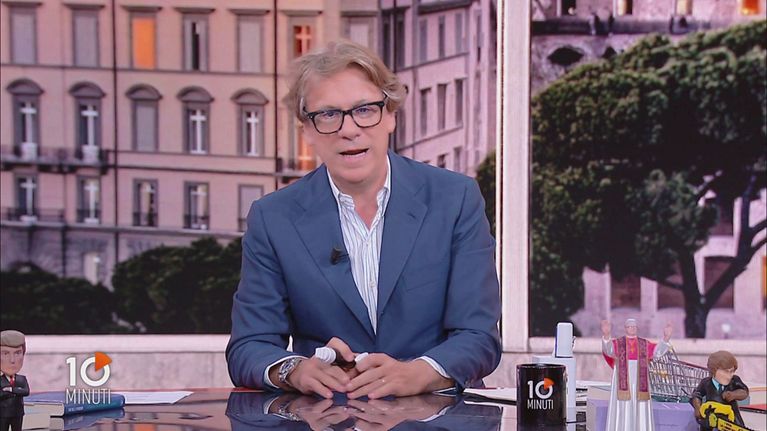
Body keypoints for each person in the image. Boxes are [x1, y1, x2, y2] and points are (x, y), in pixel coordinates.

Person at [226, 39, 501, 399]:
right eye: (328, 115)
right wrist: (295, 370)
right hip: (328, 415)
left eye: (365, 110)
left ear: (390, 116)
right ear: (306, 130)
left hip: (436, 414)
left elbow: (479, 337)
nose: (349, 129)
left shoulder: (454, 199)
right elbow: (249, 346)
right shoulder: (273, 218)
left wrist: (417, 374)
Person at [600, 318, 672, 431]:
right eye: (630, 326)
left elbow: (657, 352)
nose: (632, 328)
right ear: (625, 328)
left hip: (640, 379)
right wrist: (606, 336)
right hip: (622, 380)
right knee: (622, 405)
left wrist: (666, 338)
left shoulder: (644, 344)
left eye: (634, 326)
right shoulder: (618, 343)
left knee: (640, 407)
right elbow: (608, 350)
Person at [690, 350, 749, 430]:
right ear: (713, 370)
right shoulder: (706, 382)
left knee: (737, 426)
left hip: (730, 416)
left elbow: (744, 391)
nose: (729, 376)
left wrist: (734, 394)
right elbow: (697, 395)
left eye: (731, 371)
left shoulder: (734, 380)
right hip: (711, 414)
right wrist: (698, 408)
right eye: (725, 372)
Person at [1, 330, 30, 431]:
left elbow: (26, 391)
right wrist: (17, 392)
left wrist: (11, 390)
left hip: (18, 413)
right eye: (5, 354)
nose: (12, 360)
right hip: (3, 414)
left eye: (17, 353)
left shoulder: (21, 379)